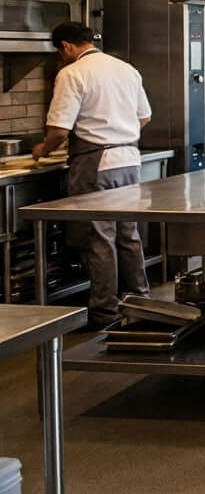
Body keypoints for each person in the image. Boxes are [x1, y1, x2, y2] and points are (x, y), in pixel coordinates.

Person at [32, 22, 152, 328]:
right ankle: (140, 301)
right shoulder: (125, 68)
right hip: (129, 159)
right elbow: (144, 116)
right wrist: (117, 132)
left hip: (96, 162)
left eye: (59, 53)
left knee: (99, 238)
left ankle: (105, 311)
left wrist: (43, 149)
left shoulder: (72, 73)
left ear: (66, 47)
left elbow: (59, 129)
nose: (60, 59)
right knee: (128, 234)